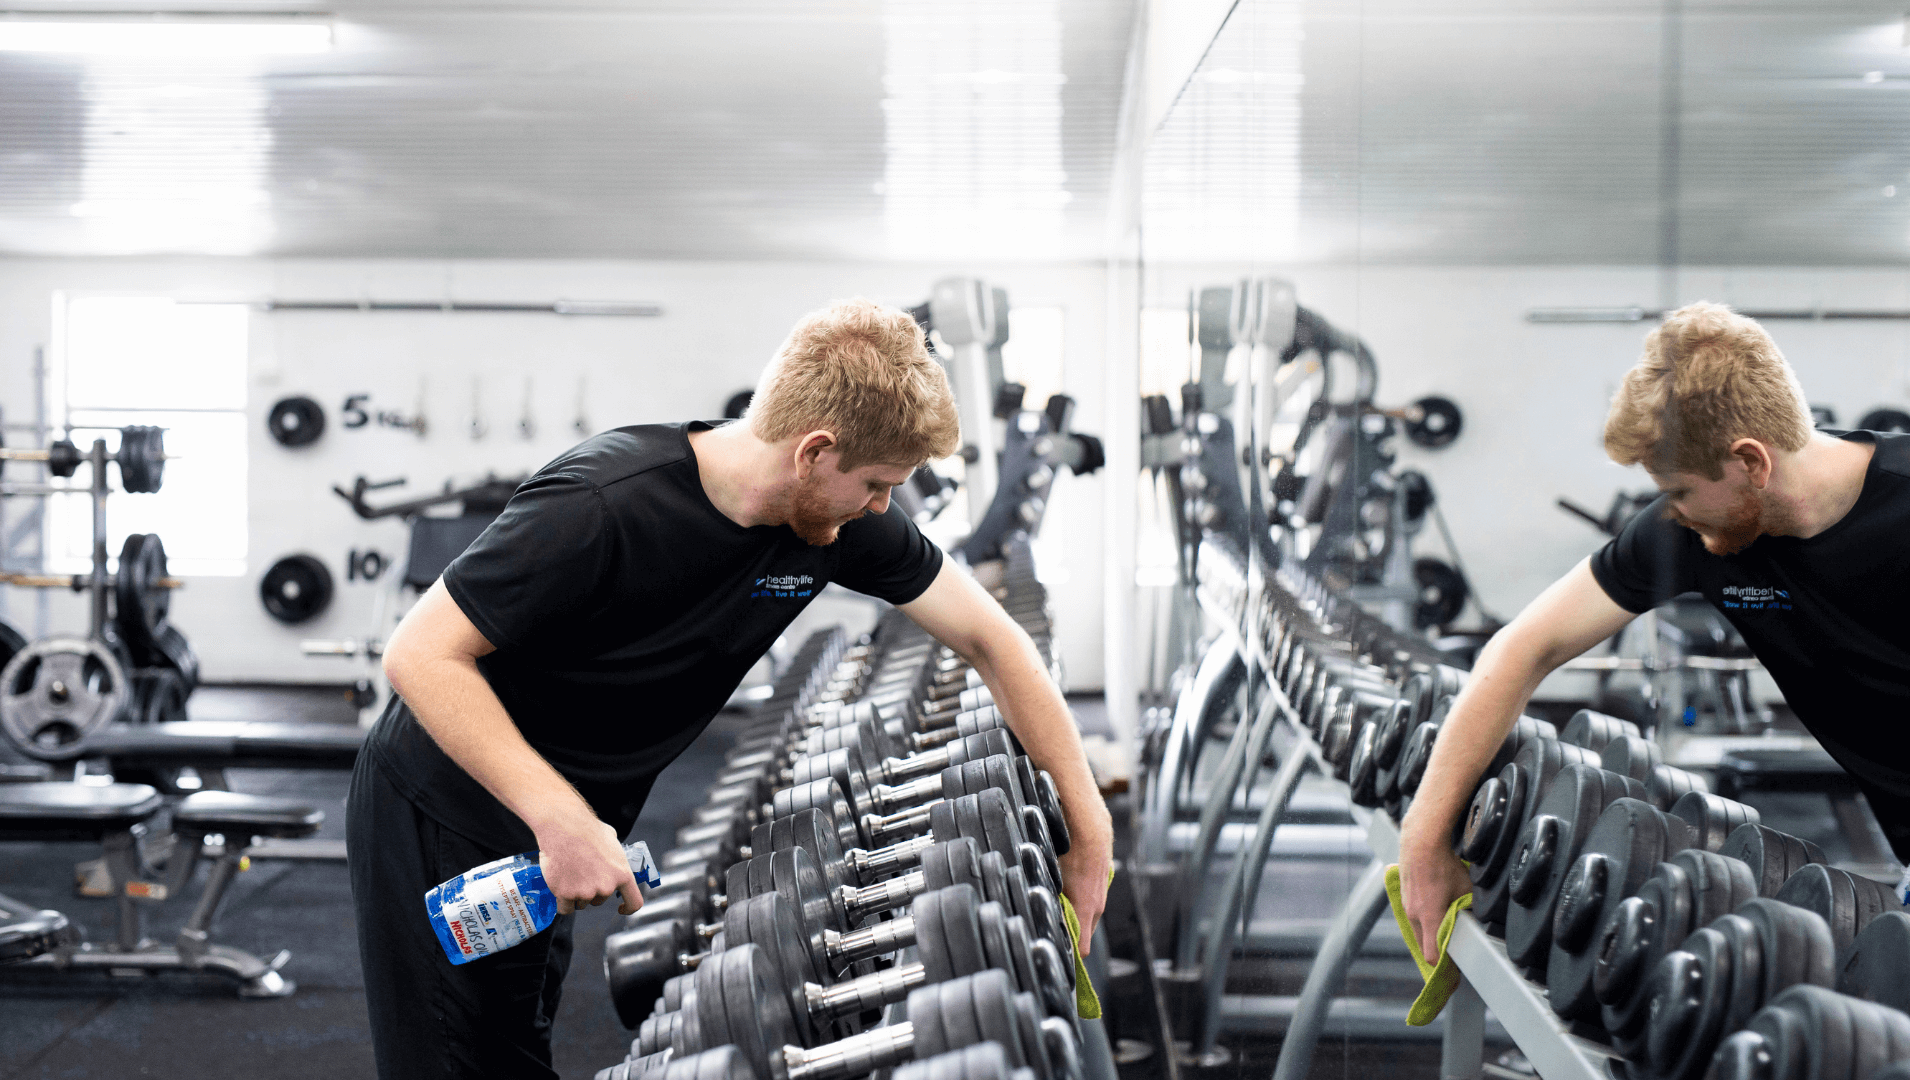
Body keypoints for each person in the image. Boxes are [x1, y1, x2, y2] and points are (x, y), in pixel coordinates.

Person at [346, 297, 1114, 1079]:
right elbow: (420, 654)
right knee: (455, 1058)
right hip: (449, 801)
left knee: (513, 1041)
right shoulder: (603, 502)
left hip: (569, 815)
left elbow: (996, 640)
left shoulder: (838, 526)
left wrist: (1090, 829)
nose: (884, 506)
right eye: (878, 483)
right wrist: (560, 818)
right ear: (815, 450)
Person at [1396, 300, 1910, 960]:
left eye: (1680, 491)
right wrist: (1424, 837)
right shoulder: (1693, 534)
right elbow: (1525, 647)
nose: (1670, 511)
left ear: (1751, 461)